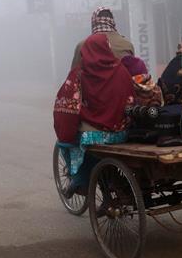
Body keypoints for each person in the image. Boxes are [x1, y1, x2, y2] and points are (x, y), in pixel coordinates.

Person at [54, 33, 134, 200]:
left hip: (95, 136)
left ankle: (80, 180)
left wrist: (65, 130)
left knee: (64, 142)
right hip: (122, 133)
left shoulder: (80, 74)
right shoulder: (121, 70)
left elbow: (67, 106)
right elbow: (130, 100)